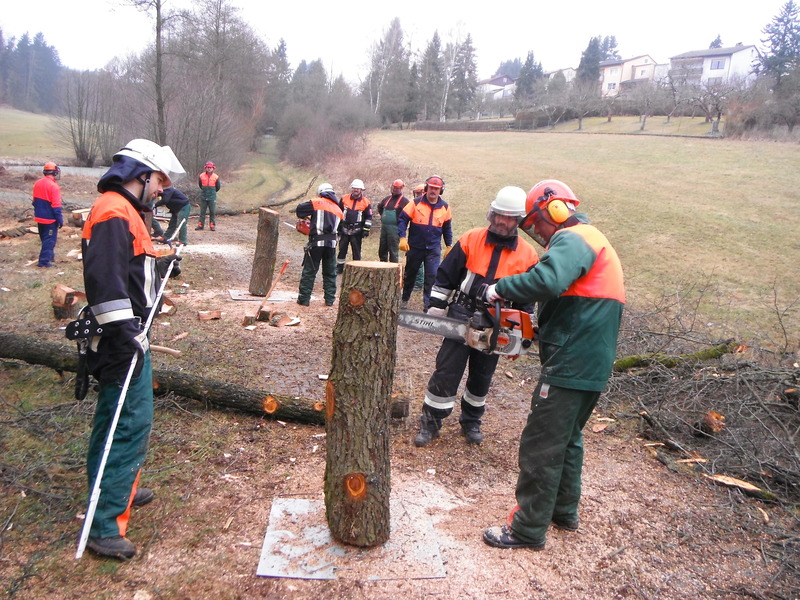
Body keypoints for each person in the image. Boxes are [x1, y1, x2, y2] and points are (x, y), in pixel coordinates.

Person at [481, 179, 625, 551]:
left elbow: (548, 279)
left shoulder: (574, 239)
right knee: (567, 439)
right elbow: (570, 298)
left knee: (541, 442)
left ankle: (527, 529)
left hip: (572, 361)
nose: (538, 233)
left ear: (554, 210)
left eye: (536, 224)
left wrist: (499, 288)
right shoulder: (592, 240)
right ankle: (562, 511)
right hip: (590, 362)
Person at [79, 138, 184, 560]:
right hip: (122, 340)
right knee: (127, 424)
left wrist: (164, 259)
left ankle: (117, 489)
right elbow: (106, 285)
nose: (161, 189)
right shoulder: (113, 212)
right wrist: (127, 335)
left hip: (130, 335)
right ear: (140, 175)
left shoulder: (127, 211)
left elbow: (134, 264)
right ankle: (105, 523)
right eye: (159, 180)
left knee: (117, 419)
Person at [414, 187, 539, 447]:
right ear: (492, 214)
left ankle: (471, 421)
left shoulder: (528, 254)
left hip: (498, 322)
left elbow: (527, 298)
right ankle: (430, 422)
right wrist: (436, 306)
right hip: (462, 313)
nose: (502, 221)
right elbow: (446, 275)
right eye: (499, 215)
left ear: (518, 220)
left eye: (509, 217)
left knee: (482, 375)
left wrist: (521, 332)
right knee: (447, 371)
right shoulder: (471, 238)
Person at [397, 175, 453, 310]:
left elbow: (447, 228)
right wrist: (402, 237)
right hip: (415, 247)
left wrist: (449, 245)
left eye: (436, 189)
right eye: (431, 188)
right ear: (427, 188)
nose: (433, 191)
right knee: (410, 274)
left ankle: (427, 304)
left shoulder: (445, 207)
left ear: (441, 191)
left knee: (432, 276)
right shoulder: (415, 203)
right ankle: (404, 299)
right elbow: (402, 219)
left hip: (433, 248)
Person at [296, 183, 343, 306]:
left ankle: (304, 300)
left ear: (320, 193)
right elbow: (341, 229)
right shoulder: (338, 209)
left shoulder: (317, 202)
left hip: (316, 243)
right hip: (331, 245)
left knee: (309, 272)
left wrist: (309, 218)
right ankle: (330, 300)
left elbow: (299, 210)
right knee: (330, 273)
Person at [337, 179, 372, 274]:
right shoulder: (344, 198)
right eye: (354, 188)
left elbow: (369, 217)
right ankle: (339, 268)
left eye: (358, 188)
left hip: (357, 231)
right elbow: (338, 212)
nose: (355, 190)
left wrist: (366, 229)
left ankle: (356, 270)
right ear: (351, 188)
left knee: (356, 251)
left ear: (361, 190)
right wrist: (338, 228)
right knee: (342, 250)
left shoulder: (366, 202)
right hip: (344, 229)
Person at [32, 162, 63, 267]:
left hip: (39, 217)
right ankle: (44, 261)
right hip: (50, 219)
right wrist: (60, 219)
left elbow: (34, 201)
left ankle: (50, 256)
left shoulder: (37, 183)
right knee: (49, 240)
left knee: (44, 238)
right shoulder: (54, 187)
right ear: (55, 172)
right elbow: (56, 206)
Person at [376, 179, 410, 263]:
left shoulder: (405, 201)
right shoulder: (387, 199)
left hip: (395, 229)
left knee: (393, 251)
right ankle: (382, 267)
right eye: (394, 187)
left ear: (401, 188)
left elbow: (408, 215)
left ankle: (394, 268)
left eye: (397, 188)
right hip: (384, 228)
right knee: (382, 250)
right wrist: (383, 216)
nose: (395, 189)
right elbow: (380, 207)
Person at [197, 161, 220, 231]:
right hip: (203, 196)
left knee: (212, 212)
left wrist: (212, 192)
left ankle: (212, 225)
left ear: (213, 168)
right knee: (202, 212)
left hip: (212, 197)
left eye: (210, 167)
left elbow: (218, 187)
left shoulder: (216, 177)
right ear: (205, 168)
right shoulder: (201, 176)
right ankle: (200, 225)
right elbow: (200, 185)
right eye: (208, 167)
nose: (209, 169)